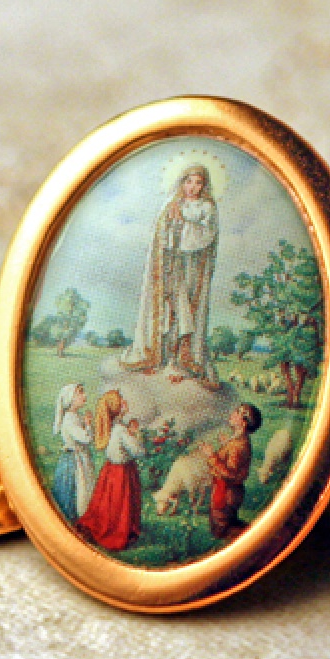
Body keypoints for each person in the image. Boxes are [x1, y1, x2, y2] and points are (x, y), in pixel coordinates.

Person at [121, 163, 219, 385]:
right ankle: (159, 359)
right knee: (168, 312)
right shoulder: (171, 204)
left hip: (192, 268)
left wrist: (184, 223)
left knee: (185, 314)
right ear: (182, 182)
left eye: (198, 183)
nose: (192, 187)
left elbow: (207, 235)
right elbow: (160, 236)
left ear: (204, 185)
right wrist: (169, 224)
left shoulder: (207, 208)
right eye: (189, 181)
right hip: (170, 266)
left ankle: (180, 362)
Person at [76, 390, 144, 550]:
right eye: (122, 400)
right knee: (119, 505)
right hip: (122, 472)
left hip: (109, 471)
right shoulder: (121, 429)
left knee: (107, 502)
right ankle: (118, 531)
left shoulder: (111, 426)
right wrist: (137, 436)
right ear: (117, 407)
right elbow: (138, 451)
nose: (125, 402)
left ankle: (108, 527)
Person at [198, 403, 262, 539]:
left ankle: (259, 537)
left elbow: (230, 473)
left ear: (244, 423)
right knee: (224, 524)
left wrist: (211, 455)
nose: (233, 413)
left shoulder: (238, 446)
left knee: (221, 530)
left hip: (226, 492)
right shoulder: (237, 440)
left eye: (238, 412)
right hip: (225, 490)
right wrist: (225, 445)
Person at [51, 383, 96, 521]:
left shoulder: (76, 416)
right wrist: (88, 425)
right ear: (71, 398)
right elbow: (86, 438)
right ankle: (77, 518)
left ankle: (85, 516)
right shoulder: (69, 419)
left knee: (86, 489)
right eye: (80, 393)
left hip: (81, 458)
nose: (84, 395)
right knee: (77, 490)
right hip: (74, 461)